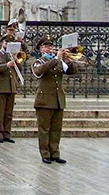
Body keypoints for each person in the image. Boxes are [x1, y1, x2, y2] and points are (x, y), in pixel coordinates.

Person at [32, 35, 76, 164]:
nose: (49, 49)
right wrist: (56, 58)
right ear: (40, 49)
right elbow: (39, 72)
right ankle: (45, 154)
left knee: (56, 129)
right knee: (44, 129)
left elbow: (72, 71)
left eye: (50, 46)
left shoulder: (58, 62)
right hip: (44, 101)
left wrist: (68, 61)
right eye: (46, 47)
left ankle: (55, 153)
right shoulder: (38, 61)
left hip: (58, 100)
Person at [0, 34, 20, 144]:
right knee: (0, 112)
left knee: (9, 113)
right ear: (2, 43)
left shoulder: (13, 55)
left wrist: (16, 60)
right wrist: (6, 65)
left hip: (11, 87)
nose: (7, 45)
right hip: (0, 87)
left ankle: (7, 133)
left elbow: (19, 70)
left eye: (10, 44)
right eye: (6, 43)